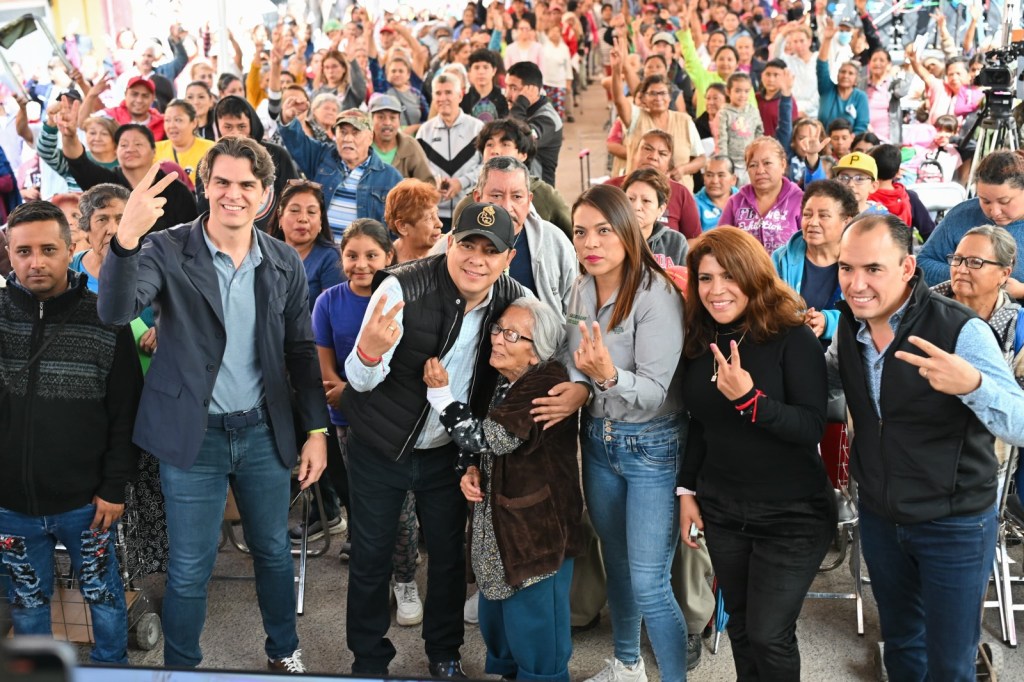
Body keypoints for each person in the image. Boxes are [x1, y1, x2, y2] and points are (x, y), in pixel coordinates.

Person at [97, 139, 329, 672]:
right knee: (189, 568)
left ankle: (284, 651)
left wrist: (316, 431)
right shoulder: (164, 249)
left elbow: (299, 351)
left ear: (265, 196)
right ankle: (182, 665)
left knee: (272, 553)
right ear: (205, 187)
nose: (233, 194)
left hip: (263, 433)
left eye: (247, 184)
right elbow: (114, 311)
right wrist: (127, 238)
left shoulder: (282, 261)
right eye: (222, 181)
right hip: (192, 436)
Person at [827, 214, 1024, 680]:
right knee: (901, 647)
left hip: (953, 523)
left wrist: (973, 383)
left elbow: (1018, 421)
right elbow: (827, 381)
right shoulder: (849, 328)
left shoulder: (961, 330)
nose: (856, 284)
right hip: (880, 516)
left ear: (908, 267)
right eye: (846, 268)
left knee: (952, 663)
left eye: (873, 269)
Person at [341, 202, 527, 678]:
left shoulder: (513, 299)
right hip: (380, 444)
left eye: (491, 250)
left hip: (448, 451)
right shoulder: (402, 285)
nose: (477, 259)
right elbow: (359, 381)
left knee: (447, 558)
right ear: (450, 243)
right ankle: (368, 660)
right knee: (371, 556)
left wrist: (579, 387)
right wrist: (369, 352)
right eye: (468, 244)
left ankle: (444, 654)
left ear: (508, 258)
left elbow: (547, 347)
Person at [679, 226, 834, 680]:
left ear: (754, 275)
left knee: (769, 634)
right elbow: (699, 425)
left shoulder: (792, 336)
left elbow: (809, 428)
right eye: (705, 278)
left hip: (793, 514)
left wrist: (750, 401)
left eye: (728, 276)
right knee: (743, 629)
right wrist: (686, 490)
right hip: (724, 509)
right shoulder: (700, 338)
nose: (716, 289)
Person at [0, 200, 142, 664]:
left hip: (88, 504)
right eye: (23, 251)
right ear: (9, 252)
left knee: (103, 596)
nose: (35, 262)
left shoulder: (106, 317)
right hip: (11, 505)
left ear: (70, 249)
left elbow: (125, 413)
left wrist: (113, 487)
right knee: (27, 604)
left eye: (47, 249)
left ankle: (111, 671)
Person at [422, 296, 582, 682]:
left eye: (513, 334)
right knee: (502, 620)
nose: (498, 339)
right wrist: (471, 468)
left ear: (535, 351)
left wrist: (441, 396)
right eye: (498, 329)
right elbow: (484, 447)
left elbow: (491, 436)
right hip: (501, 528)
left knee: (538, 633)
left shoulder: (546, 381)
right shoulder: (507, 378)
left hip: (536, 533)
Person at [565, 184, 688, 682]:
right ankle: (627, 664)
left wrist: (607, 377)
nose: (590, 242)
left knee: (651, 583)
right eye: (580, 232)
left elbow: (657, 391)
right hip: (598, 440)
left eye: (602, 231)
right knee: (616, 565)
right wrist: (578, 385)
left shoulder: (656, 294)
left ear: (629, 233)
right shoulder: (580, 288)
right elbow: (573, 358)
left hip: (652, 446)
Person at [932, 226, 1024, 499]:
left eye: (975, 262)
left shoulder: (1018, 329)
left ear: (1004, 274)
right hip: (919, 454)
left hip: (984, 467)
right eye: (957, 259)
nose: (961, 269)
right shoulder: (922, 310)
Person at [440, 157, 576, 319]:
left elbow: (576, 309)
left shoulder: (555, 242)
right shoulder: (452, 244)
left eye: (517, 197)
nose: (506, 207)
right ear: (478, 198)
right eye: (496, 196)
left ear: (529, 200)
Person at [279, 105, 402, 242]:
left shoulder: (391, 177)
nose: (347, 139)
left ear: (370, 137)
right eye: (342, 132)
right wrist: (288, 117)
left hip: (363, 258)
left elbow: (399, 227)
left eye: (355, 132)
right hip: (322, 252)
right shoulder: (322, 158)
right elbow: (296, 141)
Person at [59, 112, 198, 232]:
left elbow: (191, 231)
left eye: (138, 144)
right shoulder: (106, 183)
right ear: (116, 151)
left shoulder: (176, 190)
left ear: (153, 151)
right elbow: (79, 163)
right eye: (124, 145)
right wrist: (69, 136)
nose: (130, 149)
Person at [918, 151, 1024, 295]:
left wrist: (1022, 291)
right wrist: (970, 276)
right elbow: (923, 263)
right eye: (985, 201)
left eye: (1004, 201)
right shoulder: (962, 215)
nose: (994, 211)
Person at [453, 118, 572, 238]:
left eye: (505, 144)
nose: (495, 151)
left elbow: (574, 238)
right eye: (489, 144)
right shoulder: (467, 205)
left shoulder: (545, 195)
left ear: (523, 155)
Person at [773, 179, 859, 344]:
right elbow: (765, 306)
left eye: (824, 216)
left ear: (846, 221)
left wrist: (828, 322)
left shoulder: (861, 261)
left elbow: (870, 314)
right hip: (789, 350)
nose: (812, 222)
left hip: (844, 355)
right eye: (807, 214)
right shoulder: (781, 258)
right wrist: (792, 318)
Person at [202, 96, 301, 233]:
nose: (236, 133)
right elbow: (204, 210)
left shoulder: (277, 155)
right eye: (228, 127)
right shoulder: (210, 159)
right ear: (217, 127)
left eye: (242, 126)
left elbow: (294, 199)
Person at [604, 129, 702, 241]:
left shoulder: (681, 193)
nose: (653, 157)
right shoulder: (610, 188)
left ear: (669, 164)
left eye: (662, 154)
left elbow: (694, 239)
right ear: (634, 154)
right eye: (647, 149)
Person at [416, 74, 484, 231]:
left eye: (448, 92)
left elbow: (487, 166)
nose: (442, 98)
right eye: (438, 93)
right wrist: (433, 184)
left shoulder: (478, 128)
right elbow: (418, 170)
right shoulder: (424, 131)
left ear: (460, 95)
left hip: (471, 211)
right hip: (435, 215)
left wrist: (462, 182)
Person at [719, 136, 803, 254]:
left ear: (783, 165)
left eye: (767, 163)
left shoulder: (799, 200)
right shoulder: (735, 202)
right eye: (753, 165)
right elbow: (721, 244)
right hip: (744, 272)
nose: (760, 171)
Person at [267, 180, 343, 308]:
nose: (303, 218)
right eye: (295, 210)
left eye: (312, 212)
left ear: (320, 223)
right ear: (280, 218)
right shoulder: (263, 252)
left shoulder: (331, 258)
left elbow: (330, 315)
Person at [506, 61, 563, 186]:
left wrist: (521, 102)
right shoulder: (519, 110)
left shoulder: (548, 119)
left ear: (532, 90)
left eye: (514, 88)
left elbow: (517, 138)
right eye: (507, 87)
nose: (507, 94)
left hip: (538, 195)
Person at [623, 167, 688, 266]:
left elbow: (686, 279)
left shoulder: (676, 242)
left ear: (661, 209)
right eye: (630, 199)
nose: (636, 207)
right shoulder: (610, 238)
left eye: (646, 201)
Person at [369, 94, 435, 185]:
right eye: (381, 117)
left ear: (399, 121)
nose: (387, 123)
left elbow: (428, 183)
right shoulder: (362, 145)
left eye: (392, 118)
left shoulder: (410, 146)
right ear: (371, 119)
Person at [816, 20, 868, 134]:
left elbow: (861, 126)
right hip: (824, 142)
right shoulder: (827, 89)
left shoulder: (860, 97)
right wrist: (827, 39)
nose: (845, 75)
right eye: (842, 72)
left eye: (850, 73)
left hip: (850, 146)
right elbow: (822, 65)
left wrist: (846, 142)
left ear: (856, 80)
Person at [155, 99, 216, 187]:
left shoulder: (210, 149)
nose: (171, 126)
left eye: (178, 120)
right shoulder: (155, 150)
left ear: (194, 122)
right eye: (167, 120)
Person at [716, 73, 763, 186]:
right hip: (732, 164)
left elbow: (759, 133)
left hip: (750, 163)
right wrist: (725, 163)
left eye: (746, 91)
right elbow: (721, 139)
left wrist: (757, 156)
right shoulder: (724, 113)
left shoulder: (753, 111)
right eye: (738, 91)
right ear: (728, 91)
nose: (742, 95)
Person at [87, 76, 166, 141]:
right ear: (125, 94)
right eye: (134, 94)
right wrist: (91, 96)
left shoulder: (162, 122)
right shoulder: (111, 115)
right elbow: (83, 123)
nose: (139, 100)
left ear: (153, 98)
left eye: (145, 96)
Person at [386, 178, 444, 263]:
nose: (440, 224)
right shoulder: (383, 264)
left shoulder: (448, 251)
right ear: (402, 226)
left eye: (437, 214)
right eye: (429, 218)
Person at [831, 153, 889, 217]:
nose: (851, 184)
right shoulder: (828, 211)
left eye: (859, 179)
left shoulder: (881, 217)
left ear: (873, 186)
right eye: (844, 178)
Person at [462, 49, 509, 123]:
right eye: (476, 67)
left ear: (494, 71)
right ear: (470, 71)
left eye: (486, 67)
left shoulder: (505, 97)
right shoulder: (463, 99)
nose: (481, 72)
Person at [695, 155, 737, 232]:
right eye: (709, 175)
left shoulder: (744, 200)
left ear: (733, 179)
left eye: (721, 175)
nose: (714, 181)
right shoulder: (694, 204)